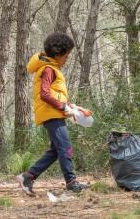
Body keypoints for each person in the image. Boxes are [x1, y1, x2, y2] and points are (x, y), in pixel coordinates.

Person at [17, 32, 88, 196]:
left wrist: (74, 107)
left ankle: (28, 176)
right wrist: (63, 108)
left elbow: (56, 94)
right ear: (57, 54)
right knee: (65, 148)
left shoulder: (52, 68)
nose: (67, 59)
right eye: (66, 55)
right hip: (52, 114)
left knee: (56, 150)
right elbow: (45, 94)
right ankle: (71, 182)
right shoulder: (48, 69)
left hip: (54, 112)